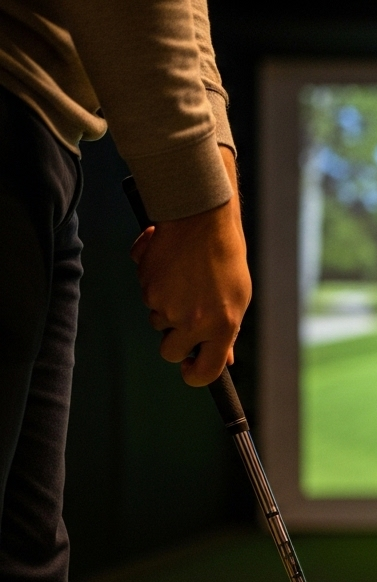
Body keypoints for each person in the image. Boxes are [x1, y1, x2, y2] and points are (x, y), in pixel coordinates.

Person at [0, 0, 251, 578]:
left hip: (44, 142)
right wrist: (195, 203)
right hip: (13, 111)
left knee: (28, 559)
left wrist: (218, 199)